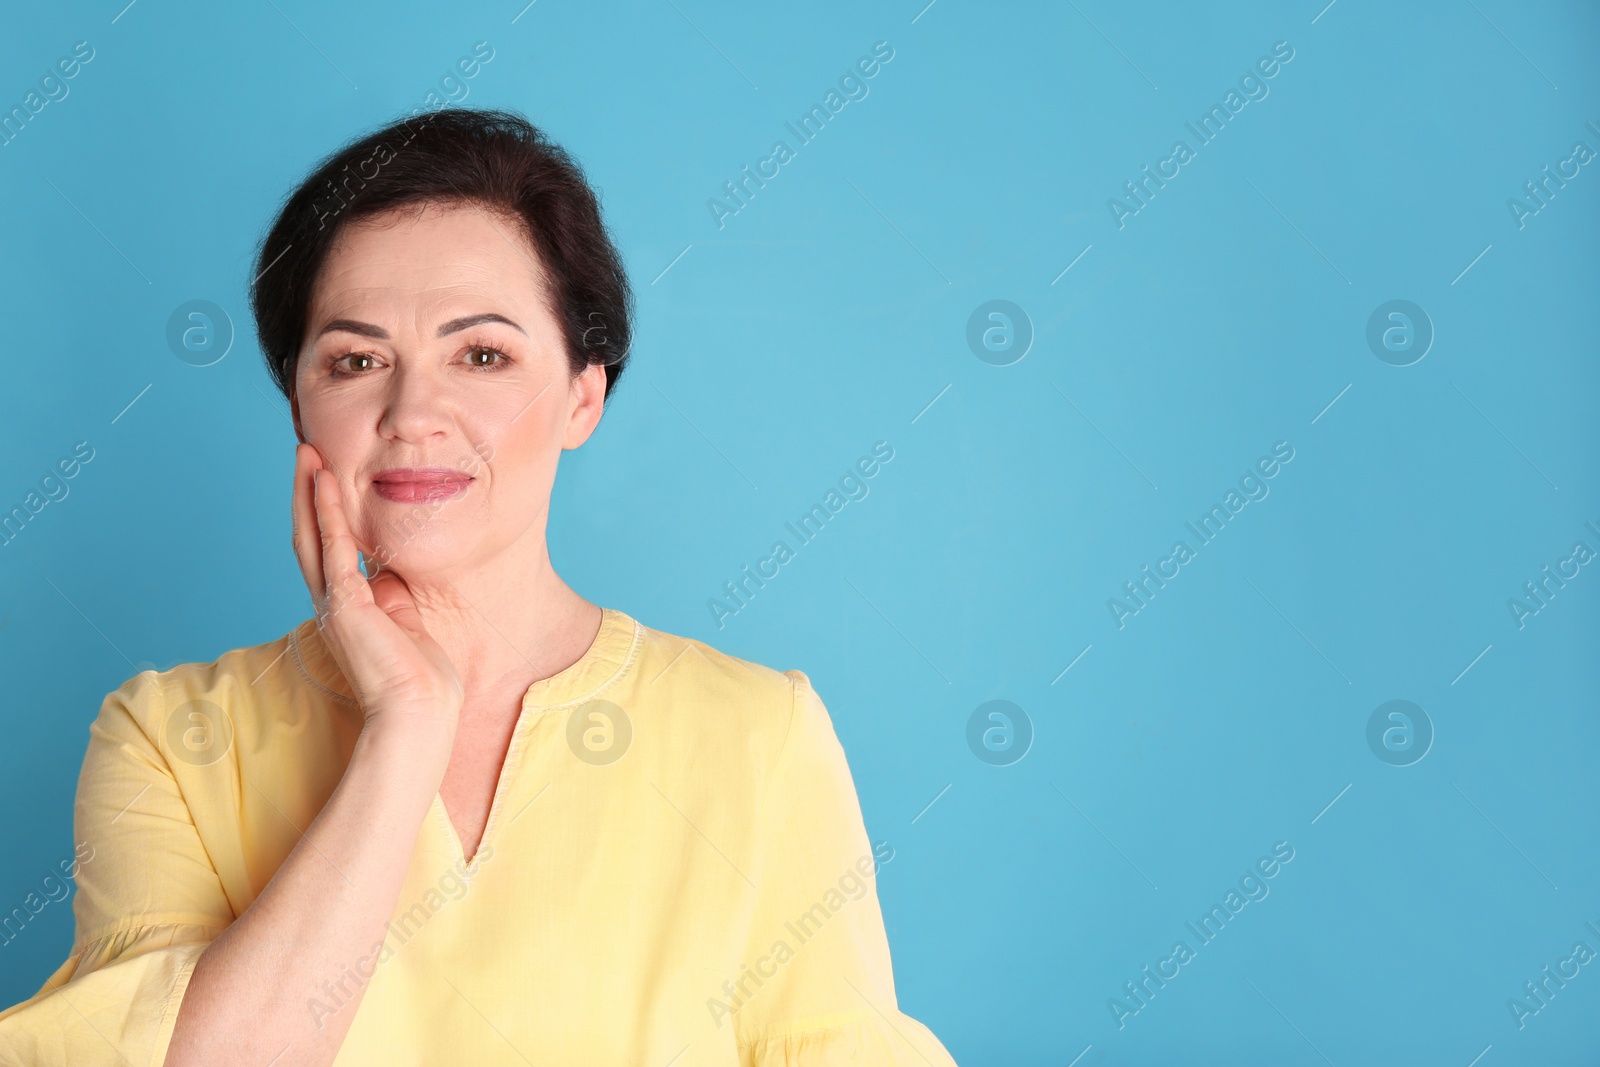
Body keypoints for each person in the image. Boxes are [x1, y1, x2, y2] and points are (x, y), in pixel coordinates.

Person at [0, 107, 958, 1066]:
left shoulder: (761, 737)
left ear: (584, 394)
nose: (413, 413)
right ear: (299, 402)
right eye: (357, 360)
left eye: (483, 354)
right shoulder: (169, 739)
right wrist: (406, 724)